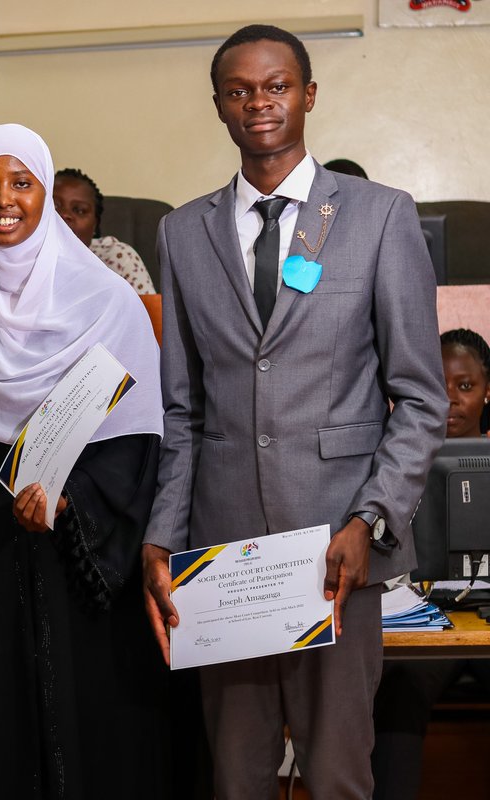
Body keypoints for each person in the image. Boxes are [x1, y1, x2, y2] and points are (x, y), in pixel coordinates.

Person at [140, 24, 447, 798]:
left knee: (339, 776)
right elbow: (183, 411)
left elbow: (419, 398)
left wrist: (370, 521)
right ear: (219, 106)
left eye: (275, 86)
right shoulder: (183, 232)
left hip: (337, 549)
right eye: (239, 90)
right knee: (236, 778)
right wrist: (160, 539)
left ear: (308, 95)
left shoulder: (379, 216)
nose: (258, 103)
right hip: (225, 558)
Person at [0, 123, 170, 798]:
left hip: (84, 567)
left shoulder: (110, 304)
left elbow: (140, 445)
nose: (4, 199)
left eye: (21, 183)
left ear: (45, 192)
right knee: (6, 733)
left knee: (93, 734)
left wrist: (70, 498)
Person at [371, 327, 490, 800]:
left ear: (487, 392)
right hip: (424, 624)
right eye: (438, 386)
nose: (452, 401)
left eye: (466, 386)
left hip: (485, 623)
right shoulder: (391, 470)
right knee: (399, 689)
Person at [53, 167, 156, 294]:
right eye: (53, 205)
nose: (65, 215)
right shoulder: (22, 255)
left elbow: (149, 313)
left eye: (79, 210)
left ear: (95, 225)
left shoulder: (118, 258)